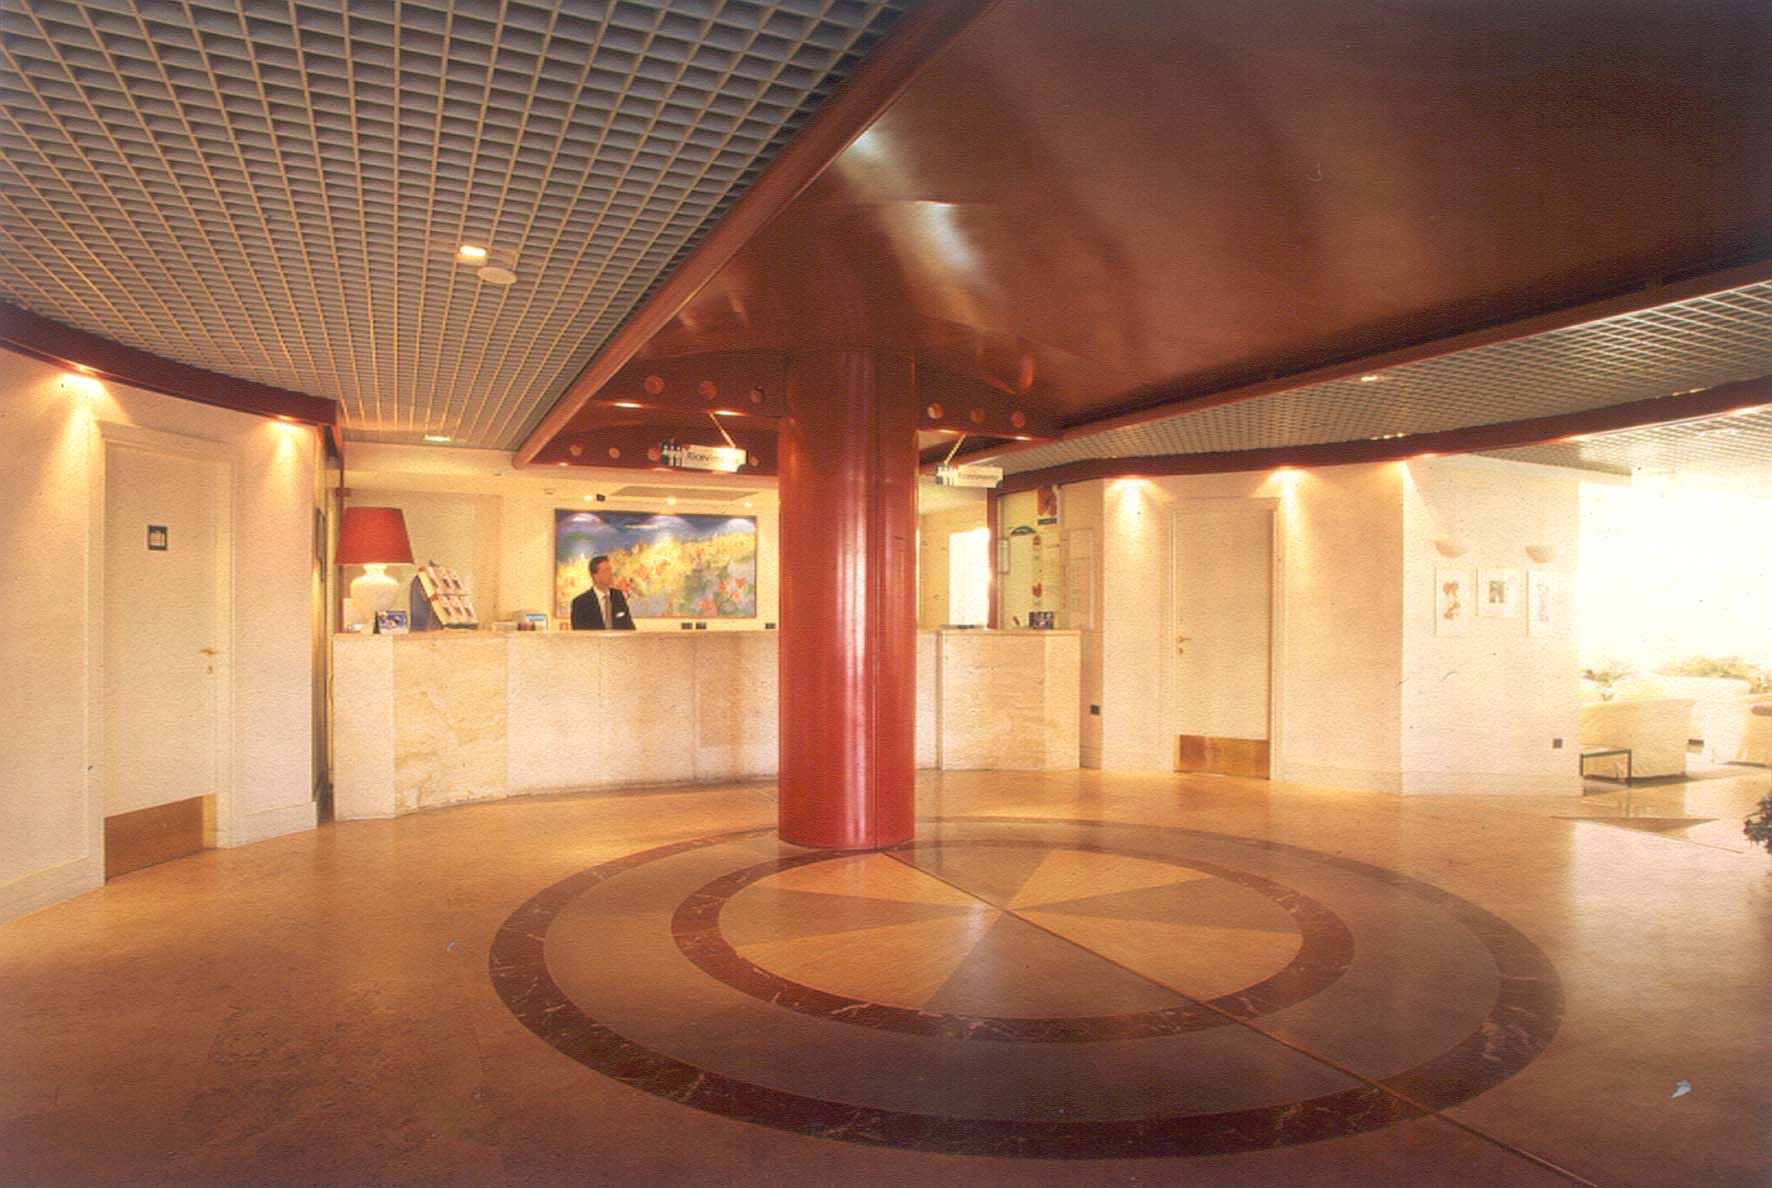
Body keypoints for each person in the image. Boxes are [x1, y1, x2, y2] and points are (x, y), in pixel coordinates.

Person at [570, 554, 635, 630]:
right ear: (595, 576)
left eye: (610, 570)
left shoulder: (618, 596)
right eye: (606, 570)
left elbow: (629, 626)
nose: (611, 574)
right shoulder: (580, 602)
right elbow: (579, 632)